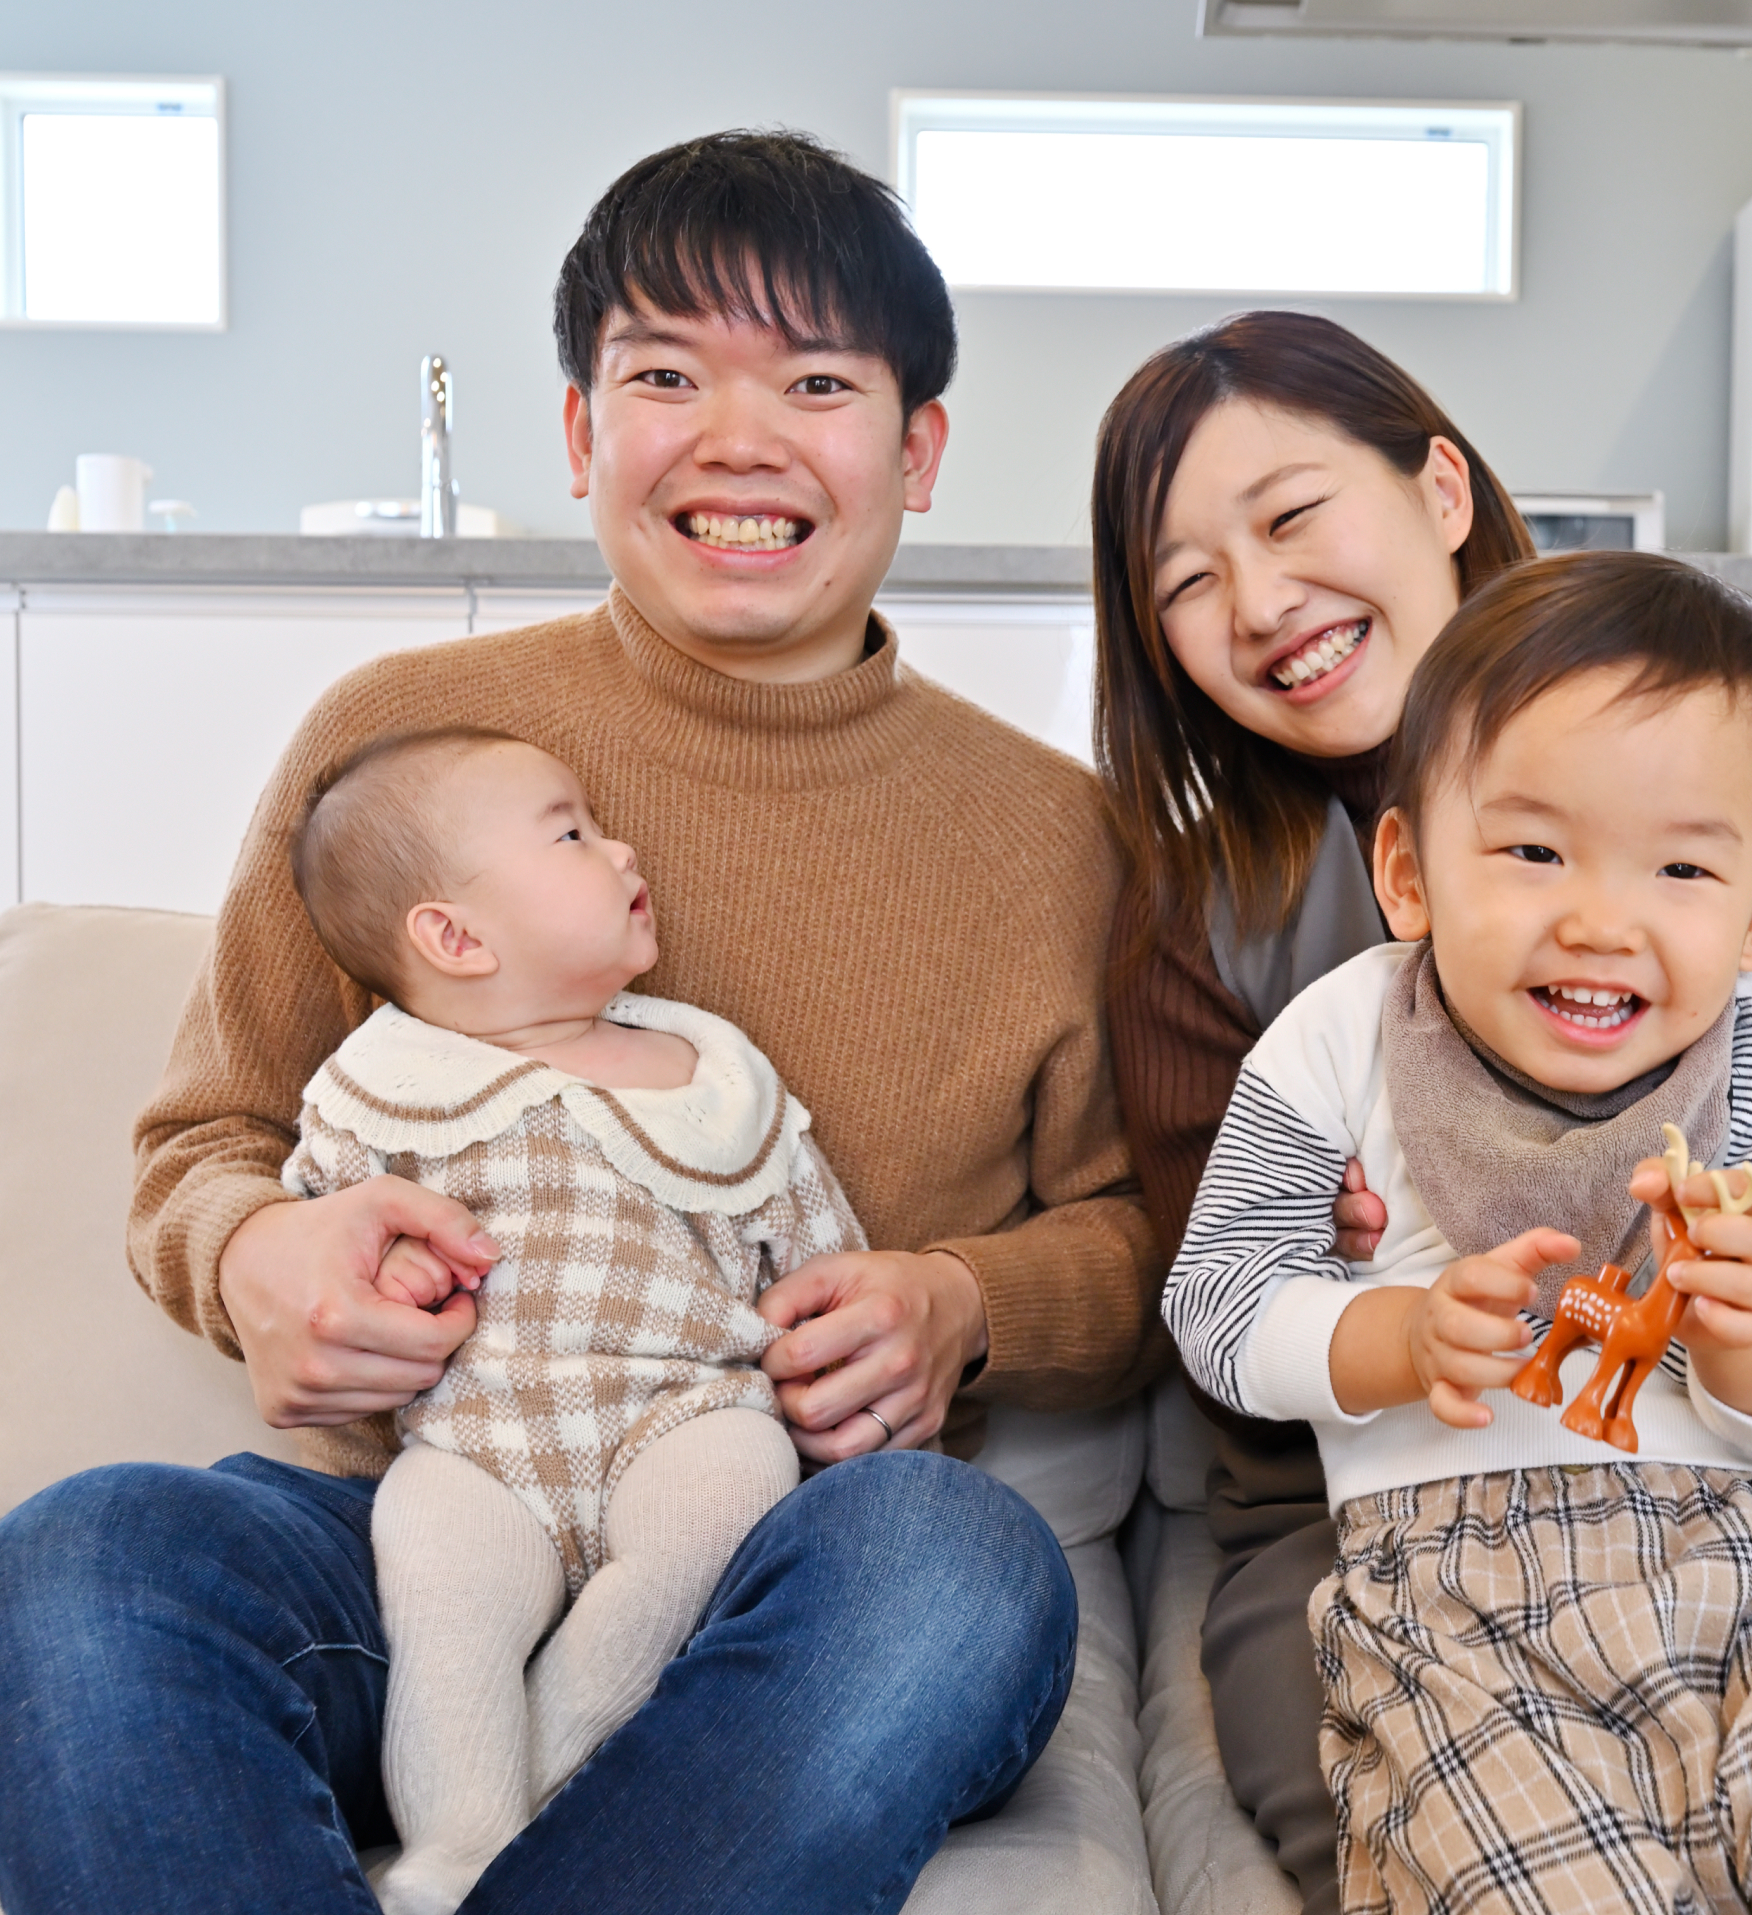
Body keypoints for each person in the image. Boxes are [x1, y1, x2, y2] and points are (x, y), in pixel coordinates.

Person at [0, 130, 1159, 1915]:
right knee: (84, 1561)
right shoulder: (399, 736)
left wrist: (965, 1303)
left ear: (917, 449)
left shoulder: (1054, 837)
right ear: (577, 431)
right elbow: (204, 1144)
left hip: (783, 1558)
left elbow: (1143, 1244)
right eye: (666, 375)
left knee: (953, 1560)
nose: (738, 439)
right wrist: (261, 1258)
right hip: (412, 1525)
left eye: (819, 381)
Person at [1093, 311, 1752, 1915]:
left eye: (1293, 515)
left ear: (1439, 488)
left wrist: (1750, 1293)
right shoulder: (1236, 935)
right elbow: (1224, 1290)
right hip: (1406, 1513)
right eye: (1184, 578)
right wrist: (1377, 1289)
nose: (1258, 601)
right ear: (1404, 879)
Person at [284, 728, 869, 1915]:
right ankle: (454, 1851)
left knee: (727, 1492)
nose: (621, 845)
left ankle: (549, 1781)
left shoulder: (709, 1074)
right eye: (571, 834)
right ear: (454, 936)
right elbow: (317, 1239)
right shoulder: (392, 1082)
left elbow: (817, 1244)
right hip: (478, 1441)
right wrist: (381, 1271)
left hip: (680, 1411)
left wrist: (852, 1328)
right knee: (444, 1600)